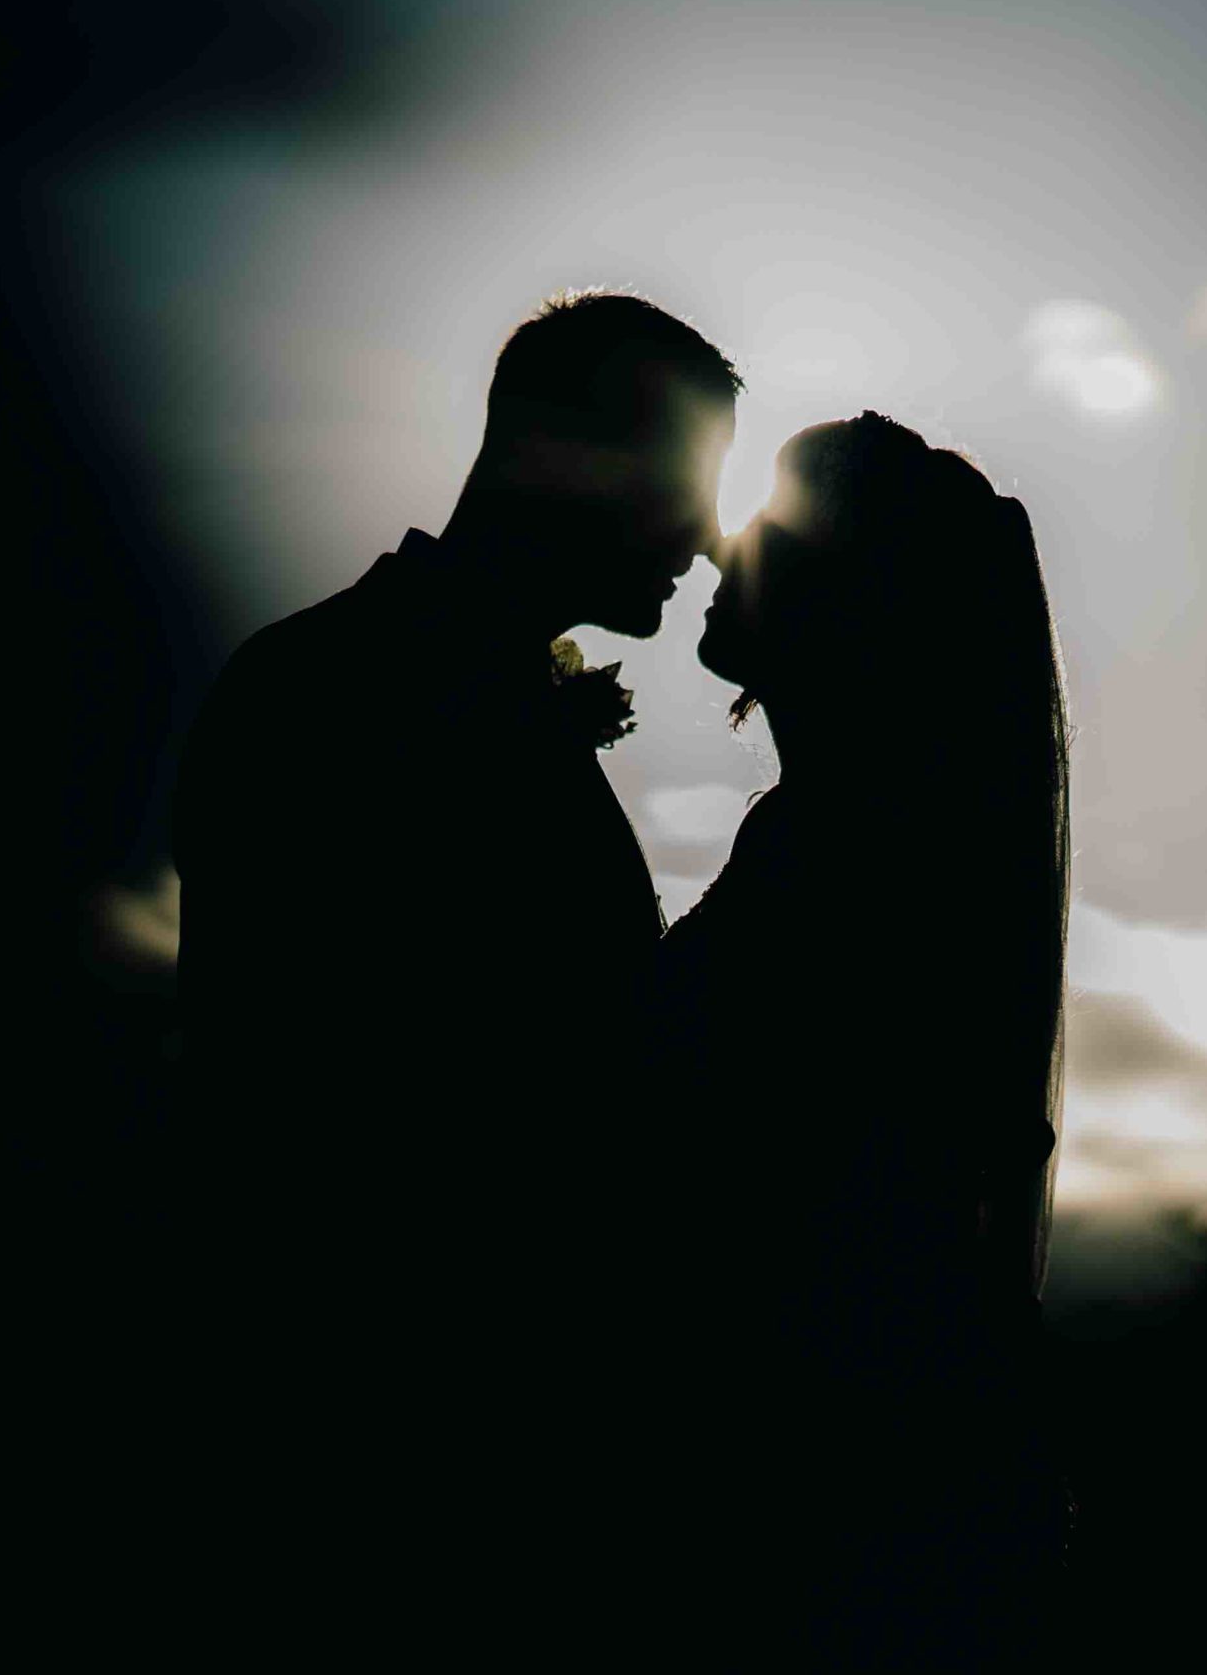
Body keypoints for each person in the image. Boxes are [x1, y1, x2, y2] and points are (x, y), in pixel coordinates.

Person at [162, 291, 740, 1663]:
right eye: (688, 482)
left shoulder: (428, 685)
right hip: (376, 1487)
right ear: (557, 451)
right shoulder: (325, 689)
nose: (710, 536)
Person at [650, 413, 1073, 1667]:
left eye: (768, 522)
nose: (724, 544)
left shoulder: (853, 854)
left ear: (851, 596)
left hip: (818, 1468)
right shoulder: (850, 830)